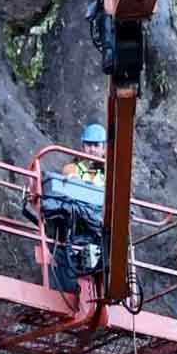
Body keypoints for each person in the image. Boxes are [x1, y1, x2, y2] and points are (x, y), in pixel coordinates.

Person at [40, 121, 110, 290]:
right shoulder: (72, 168)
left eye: (96, 146)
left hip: (96, 224)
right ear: (82, 146)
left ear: (103, 148)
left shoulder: (108, 175)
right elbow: (71, 182)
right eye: (88, 145)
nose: (92, 150)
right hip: (75, 221)